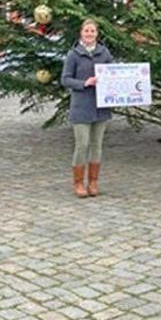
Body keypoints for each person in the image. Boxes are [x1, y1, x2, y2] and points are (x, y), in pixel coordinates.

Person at [61, 19, 114, 198]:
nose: (89, 34)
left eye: (92, 31)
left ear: (97, 34)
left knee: (96, 145)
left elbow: (114, 73)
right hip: (81, 106)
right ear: (81, 33)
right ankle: (78, 183)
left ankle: (93, 181)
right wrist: (84, 83)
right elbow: (65, 79)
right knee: (82, 145)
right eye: (86, 31)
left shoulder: (104, 52)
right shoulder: (73, 54)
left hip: (101, 107)